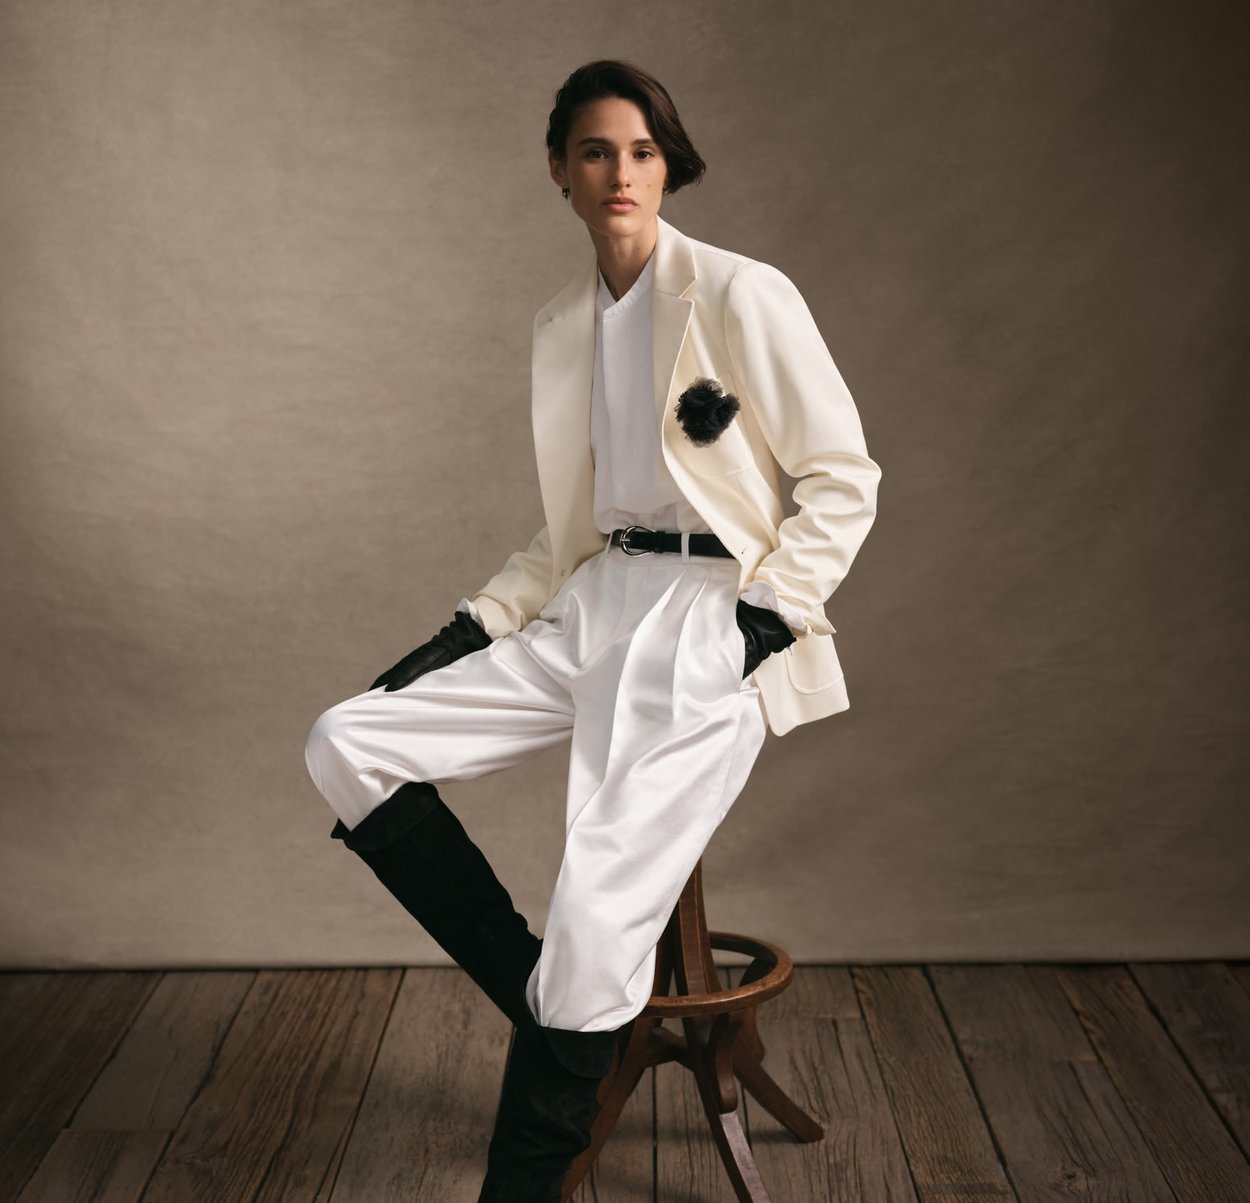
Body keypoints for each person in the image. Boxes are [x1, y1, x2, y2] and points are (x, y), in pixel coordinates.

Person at [305, 58, 881, 1203]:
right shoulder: (564, 325)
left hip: (706, 617)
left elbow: (841, 478)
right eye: (594, 152)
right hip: (592, 604)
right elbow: (572, 530)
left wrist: (757, 626)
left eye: (640, 151)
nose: (619, 173)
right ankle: (557, 1011)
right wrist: (471, 625)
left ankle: (536, 1132)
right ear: (560, 173)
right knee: (345, 743)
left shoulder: (737, 292)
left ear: (667, 165)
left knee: (596, 916)